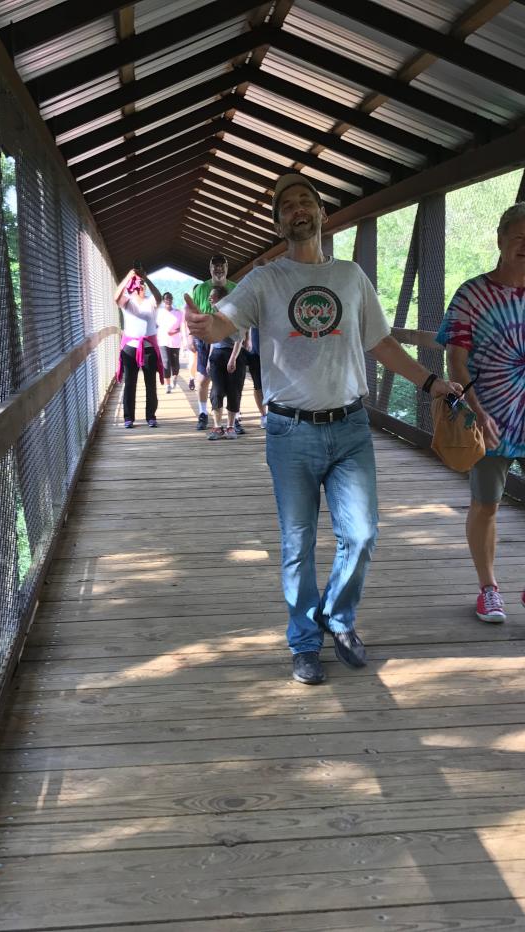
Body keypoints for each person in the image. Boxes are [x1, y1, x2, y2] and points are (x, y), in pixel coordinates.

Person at [186, 172, 461, 685]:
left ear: (321, 214)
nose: (297, 209)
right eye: (286, 205)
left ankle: (338, 616)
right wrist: (207, 327)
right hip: (290, 432)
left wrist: (430, 383)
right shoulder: (265, 279)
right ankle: (305, 642)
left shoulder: (351, 277)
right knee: (297, 543)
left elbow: (380, 343)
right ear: (278, 221)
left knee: (361, 534)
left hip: (351, 426)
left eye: (305, 201)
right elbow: (227, 321)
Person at [436, 201, 525, 637]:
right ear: (500, 239)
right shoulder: (471, 294)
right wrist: (477, 411)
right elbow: (455, 361)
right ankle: (488, 588)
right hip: (489, 418)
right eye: (519, 238)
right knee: (486, 504)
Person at [189, 254, 237, 431]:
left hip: (229, 338)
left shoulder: (235, 288)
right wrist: (190, 336)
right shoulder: (201, 289)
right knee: (203, 378)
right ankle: (203, 413)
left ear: (227, 267)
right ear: (210, 268)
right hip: (205, 338)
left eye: (222, 265)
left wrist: (246, 339)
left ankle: (235, 417)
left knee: (231, 380)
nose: (218, 269)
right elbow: (193, 312)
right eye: (215, 266)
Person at [114, 267, 165, 428]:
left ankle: (151, 416)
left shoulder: (151, 301)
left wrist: (147, 278)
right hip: (130, 348)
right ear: (131, 286)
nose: (140, 286)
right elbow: (116, 297)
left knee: (151, 384)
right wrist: (129, 275)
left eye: (142, 284)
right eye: (137, 284)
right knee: (130, 383)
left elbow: (159, 297)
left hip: (148, 348)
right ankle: (128, 418)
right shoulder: (127, 302)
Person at [203, 285, 248, 439]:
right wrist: (210, 358)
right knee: (216, 391)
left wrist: (233, 358)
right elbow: (212, 339)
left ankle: (230, 426)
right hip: (216, 355)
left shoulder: (233, 314)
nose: (209, 298)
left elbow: (239, 338)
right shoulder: (212, 315)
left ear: (222, 298)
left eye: (212, 296)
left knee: (234, 391)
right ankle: (217, 427)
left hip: (233, 354)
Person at [156, 292, 185, 393]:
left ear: (172, 300)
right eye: (166, 299)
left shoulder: (178, 313)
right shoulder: (159, 312)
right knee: (166, 362)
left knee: (175, 364)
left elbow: (183, 327)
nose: (168, 300)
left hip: (175, 341)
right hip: (163, 341)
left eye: (170, 298)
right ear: (163, 301)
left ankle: (175, 378)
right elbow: (155, 326)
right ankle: (168, 385)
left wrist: (175, 331)